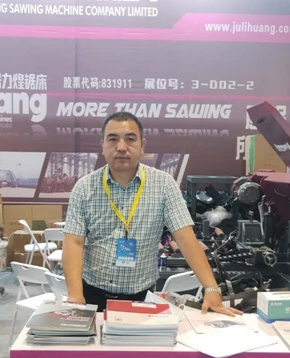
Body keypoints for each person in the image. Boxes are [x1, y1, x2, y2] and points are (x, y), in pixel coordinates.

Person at [63, 112, 241, 317]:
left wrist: (211, 288)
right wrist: (75, 294)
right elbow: (74, 242)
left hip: (142, 297)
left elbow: (185, 238)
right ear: (102, 145)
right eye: (112, 139)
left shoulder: (163, 185)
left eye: (130, 139)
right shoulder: (84, 188)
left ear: (142, 145)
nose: (121, 147)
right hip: (92, 295)